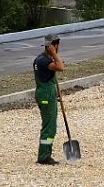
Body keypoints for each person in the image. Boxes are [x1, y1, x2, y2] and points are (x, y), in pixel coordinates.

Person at [33, 33, 65, 165]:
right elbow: (61, 67)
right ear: (53, 45)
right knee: (49, 126)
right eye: (56, 46)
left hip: (48, 94)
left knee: (50, 126)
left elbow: (51, 76)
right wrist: (55, 55)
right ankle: (44, 156)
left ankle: (46, 154)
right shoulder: (44, 60)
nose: (58, 48)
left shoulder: (43, 58)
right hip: (46, 96)